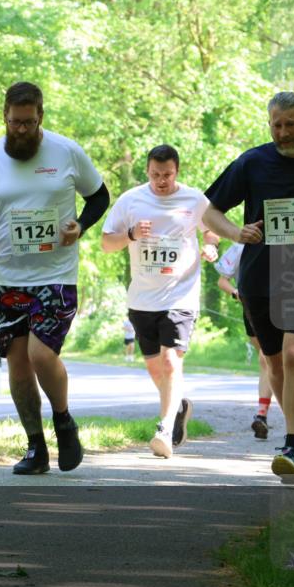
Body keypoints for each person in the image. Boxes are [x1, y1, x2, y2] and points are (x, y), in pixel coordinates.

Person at [0, 81, 110, 475]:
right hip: (6, 277)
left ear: (41, 116)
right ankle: (35, 447)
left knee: (41, 355)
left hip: (55, 274)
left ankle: (63, 420)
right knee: (18, 366)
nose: (21, 130)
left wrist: (81, 225)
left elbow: (99, 196)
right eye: (15, 122)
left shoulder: (66, 152)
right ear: (5, 117)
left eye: (28, 122)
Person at [202, 91, 294, 484]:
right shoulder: (252, 162)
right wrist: (235, 232)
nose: (282, 132)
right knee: (275, 363)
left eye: (290, 124)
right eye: (276, 125)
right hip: (259, 275)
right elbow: (210, 209)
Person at [101, 145, 219, 457]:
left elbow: (213, 231)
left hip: (181, 294)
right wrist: (131, 234)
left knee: (171, 361)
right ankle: (178, 407)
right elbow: (106, 243)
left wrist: (211, 248)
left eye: (167, 175)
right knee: (155, 369)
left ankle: (164, 429)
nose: (161, 181)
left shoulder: (194, 199)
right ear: (147, 171)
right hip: (142, 298)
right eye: (155, 175)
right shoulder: (131, 200)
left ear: (177, 171)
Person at [215, 242, 294, 440]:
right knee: (269, 360)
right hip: (259, 305)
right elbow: (222, 280)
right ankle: (267, 417)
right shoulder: (242, 244)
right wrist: (235, 292)